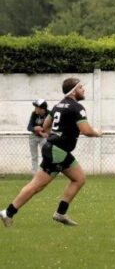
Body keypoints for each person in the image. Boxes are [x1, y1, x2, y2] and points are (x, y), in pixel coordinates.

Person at [1, 78, 102, 227]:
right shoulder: (77, 107)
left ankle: (60, 214)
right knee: (37, 185)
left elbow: (45, 125)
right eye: (81, 87)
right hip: (57, 151)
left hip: (56, 149)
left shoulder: (57, 106)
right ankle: (8, 212)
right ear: (73, 91)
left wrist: (54, 136)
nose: (83, 90)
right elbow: (86, 131)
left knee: (79, 178)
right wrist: (97, 133)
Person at [27, 99, 48, 175]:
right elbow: (29, 127)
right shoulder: (34, 114)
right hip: (33, 136)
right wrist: (35, 128)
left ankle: (44, 173)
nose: (35, 109)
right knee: (34, 157)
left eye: (37, 107)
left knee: (45, 155)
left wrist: (42, 132)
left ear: (42, 109)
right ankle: (35, 174)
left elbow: (50, 126)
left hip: (44, 137)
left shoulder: (49, 114)